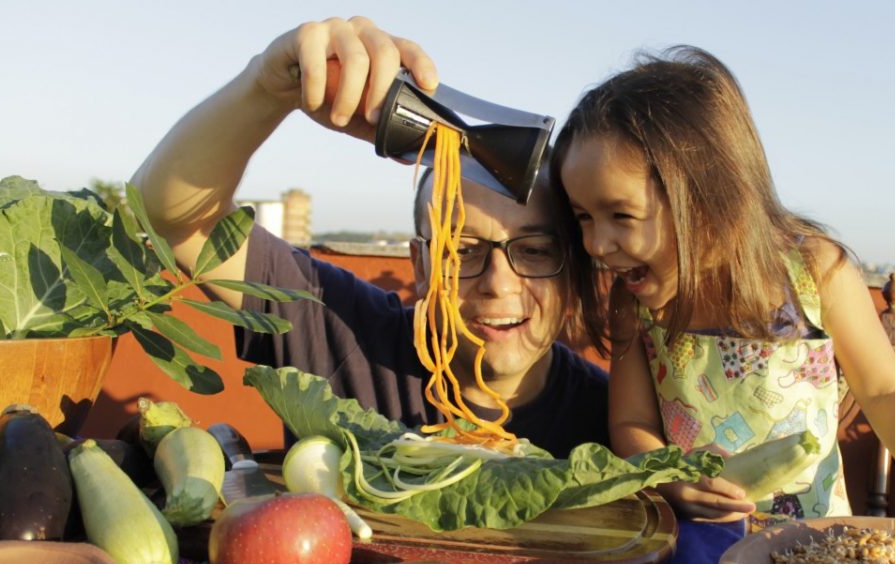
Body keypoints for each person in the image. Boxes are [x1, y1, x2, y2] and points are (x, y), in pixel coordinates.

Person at [551, 46, 895, 554]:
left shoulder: (814, 272)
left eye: (621, 215)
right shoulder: (635, 303)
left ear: (711, 197)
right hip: (695, 542)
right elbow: (631, 423)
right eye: (583, 218)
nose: (596, 244)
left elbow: (886, 391)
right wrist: (670, 480)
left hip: (817, 545)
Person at [130, 16, 608, 458]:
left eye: (536, 251)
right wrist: (267, 86)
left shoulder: (607, 420)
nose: (500, 284)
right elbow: (169, 216)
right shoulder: (343, 334)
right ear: (419, 266)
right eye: (461, 250)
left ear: (575, 268)